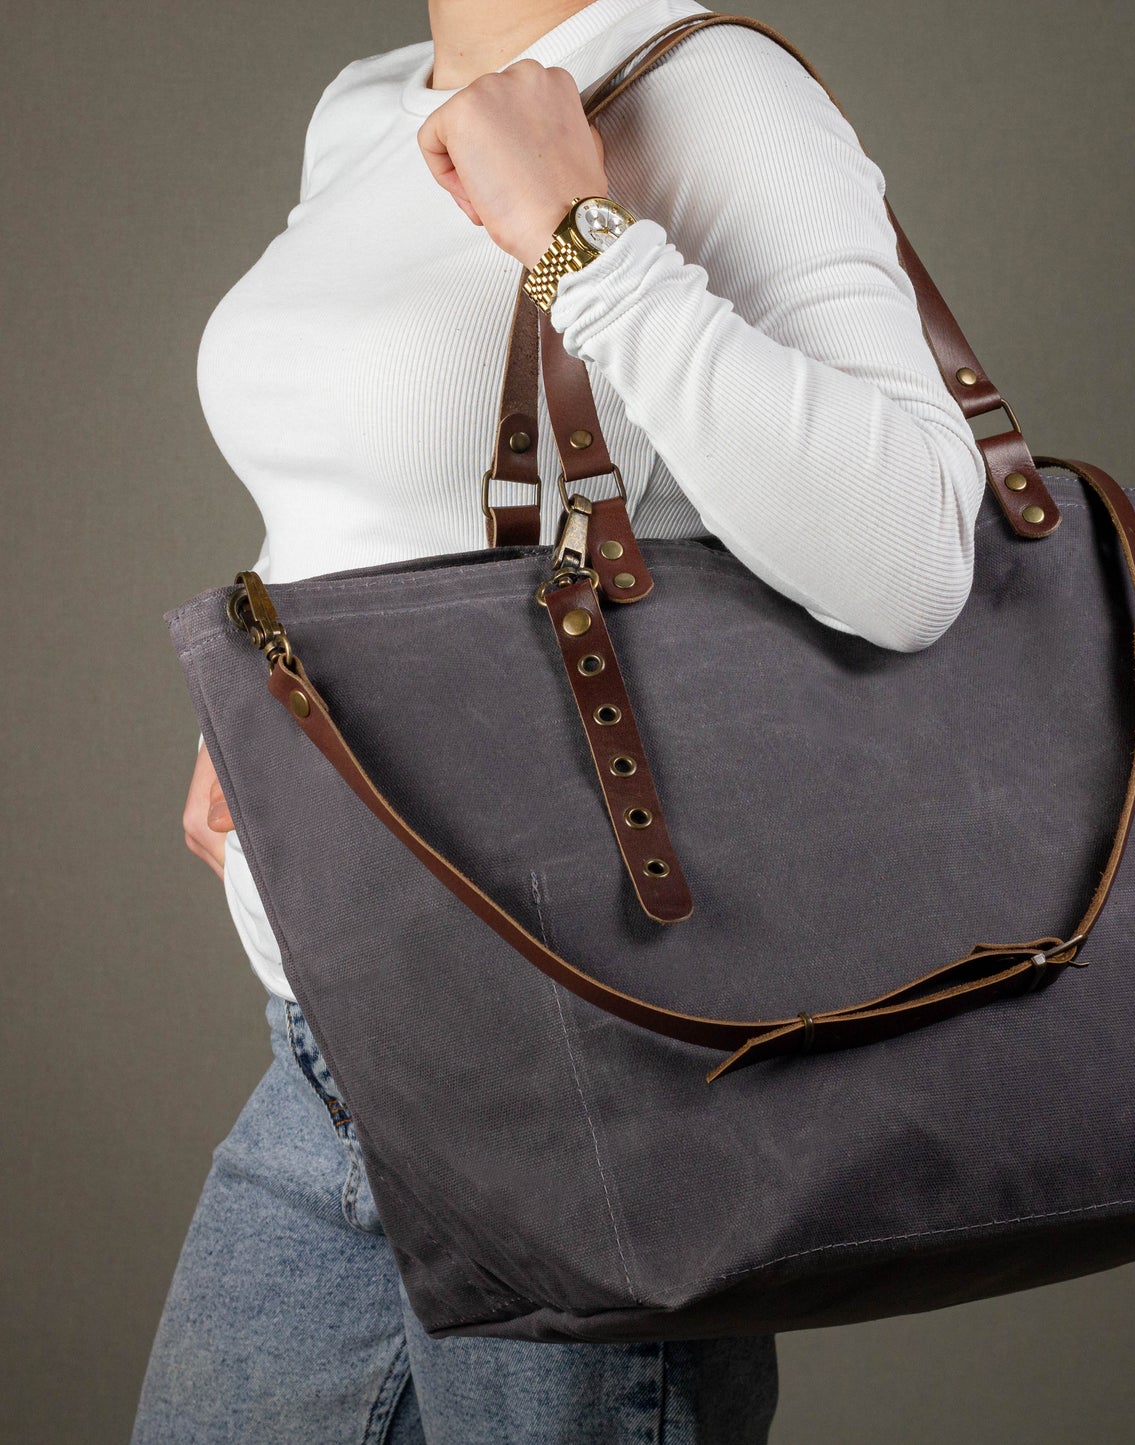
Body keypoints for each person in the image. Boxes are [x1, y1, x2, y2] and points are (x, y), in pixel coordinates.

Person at [135, 0, 989, 1438]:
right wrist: (285, 690)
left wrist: (577, 239)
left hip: (580, 1085)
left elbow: (914, 556)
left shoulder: (710, 84)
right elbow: (382, 478)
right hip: (331, 1049)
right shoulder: (363, 106)